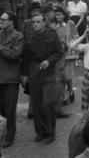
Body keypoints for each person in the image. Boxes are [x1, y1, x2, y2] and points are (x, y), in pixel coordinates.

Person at [21, 12, 63, 144]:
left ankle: (51, 132)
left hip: (49, 70)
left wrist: (49, 61)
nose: (36, 24)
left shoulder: (52, 34)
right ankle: (40, 131)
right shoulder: (29, 36)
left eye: (39, 22)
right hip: (34, 70)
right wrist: (23, 75)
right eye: (33, 22)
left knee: (48, 103)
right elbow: (26, 56)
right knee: (37, 103)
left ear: (44, 22)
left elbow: (59, 52)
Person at [0, 11, 23, 147]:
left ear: (11, 22)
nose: (0, 22)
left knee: (9, 109)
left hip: (10, 77)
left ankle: (10, 135)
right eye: (0, 19)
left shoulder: (18, 36)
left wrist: (0, 47)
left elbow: (15, 55)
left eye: (3, 20)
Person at [52, 5, 78, 106]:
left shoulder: (70, 24)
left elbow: (76, 36)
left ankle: (70, 90)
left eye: (60, 14)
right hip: (58, 54)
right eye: (56, 14)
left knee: (67, 76)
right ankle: (63, 97)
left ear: (64, 15)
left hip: (68, 54)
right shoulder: (53, 27)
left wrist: (69, 43)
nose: (58, 16)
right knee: (59, 77)